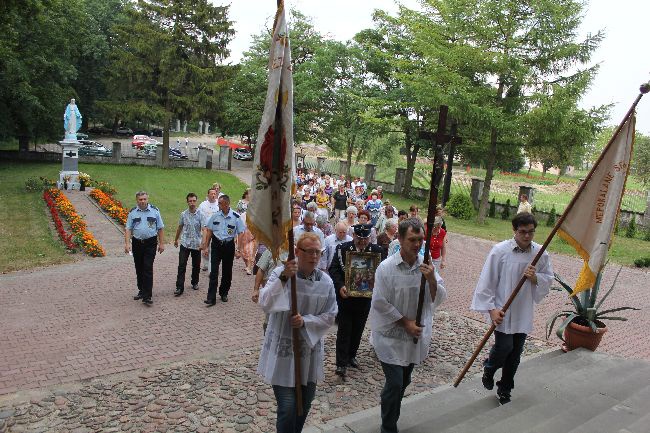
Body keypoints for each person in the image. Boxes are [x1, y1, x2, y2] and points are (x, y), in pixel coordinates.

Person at [369, 218, 447, 433]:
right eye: (412, 239)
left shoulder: (425, 265)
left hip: (414, 336)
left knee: (404, 381)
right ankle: (388, 426)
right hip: (390, 335)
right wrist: (405, 323)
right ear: (400, 239)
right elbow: (379, 302)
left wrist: (431, 278)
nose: (417, 244)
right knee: (394, 383)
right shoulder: (386, 268)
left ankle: (391, 411)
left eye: (420, 239)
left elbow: (437, 298)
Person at [257, 233, 338, 433]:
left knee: (304, 405)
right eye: (309, 252)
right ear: (297, 252)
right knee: (288, 407)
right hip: (283, 353)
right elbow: (265, 302)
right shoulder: (280, 274)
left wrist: (306, 322)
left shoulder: (325, 282)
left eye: (318, 252)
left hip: (308, 353)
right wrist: (285, 277)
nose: (314, 256)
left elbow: (331, 314)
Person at [471, 212, 553, 405]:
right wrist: (491, 309)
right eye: (523, 232)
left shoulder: (540, 253)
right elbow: (487, 281)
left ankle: (505, 389)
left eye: (531, 232)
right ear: (514, 230)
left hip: (523, 310)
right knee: (504, 347)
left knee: (515, 355)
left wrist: (535, 278)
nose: (527, 236)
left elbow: (548, 279)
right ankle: (489, 368)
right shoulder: (500, 251)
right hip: (502, 309)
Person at [329, 224, 384, 378]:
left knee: (358, 329)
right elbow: (333, 269)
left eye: (365, 239)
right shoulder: (342, 249)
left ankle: (351, 355)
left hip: (365, 299)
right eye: (359, 238)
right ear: (353, 236)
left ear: (369, 237)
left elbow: (382, 274)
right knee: (344, 330)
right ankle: (341, 363)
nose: (362, 242)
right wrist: (340, 286)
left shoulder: (377, 252)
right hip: (346, 298)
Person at [201, 194, 245, 305]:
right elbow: (209, 231)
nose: (218, 205)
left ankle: (224, 292)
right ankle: (211, 297)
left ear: (227, 204)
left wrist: (239, 249)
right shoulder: (215, 216)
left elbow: (241, 233)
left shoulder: (236, 217)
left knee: (227, 271)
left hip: (228, 246)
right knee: (214, 272)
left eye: (220, 203)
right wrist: (206, 246)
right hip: (216, 245)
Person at [124, 191, 165, 305]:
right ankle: (141, 290)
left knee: (147, 267)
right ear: (137, 200)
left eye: (144, 199)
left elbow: (160, 228)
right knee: (139, 267)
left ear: (148, 199)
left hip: (150, 243)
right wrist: (127, 244)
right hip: (137, 243)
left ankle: (147, 296)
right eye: (140, 199)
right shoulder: (133, 212)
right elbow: (128, 228)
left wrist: (161, 243)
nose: (142, 201)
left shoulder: (155, 211)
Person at [173, 193, 203, 296]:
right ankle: (179, 287)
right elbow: (180, 227)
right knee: (181, 265)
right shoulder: (183, 214)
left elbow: (204, 229)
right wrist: (176, 239)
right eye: (190, 201)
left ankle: (195, 282)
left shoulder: (201, 214)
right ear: (187, 202)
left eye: (194, 201)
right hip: (185, 243)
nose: (192, 203)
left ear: (196, 201)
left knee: (196, 265)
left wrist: (204, 243)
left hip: (197, 244)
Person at [198, 188, 220, 271]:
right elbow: (199, 216)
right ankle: (206, 263)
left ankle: (213, 263)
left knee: (214, 246)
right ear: (208, 195)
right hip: (205, 228)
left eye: (215, 194)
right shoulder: (203, 205)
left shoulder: (219, 204)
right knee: (204, 244)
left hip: (216, 229)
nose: (213, 195)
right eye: (212, 194)